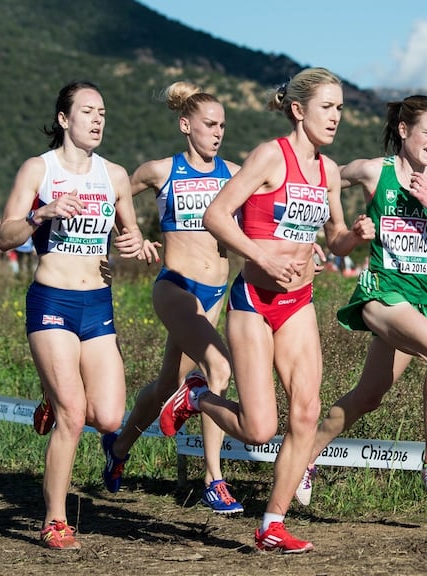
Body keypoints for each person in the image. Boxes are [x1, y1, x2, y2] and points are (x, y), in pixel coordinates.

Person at [159, 67, 374, 553]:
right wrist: (260, 254)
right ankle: (196, 397)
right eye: (328, 107)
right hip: (253, 303)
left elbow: (333, 239)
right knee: (260, 430)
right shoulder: (268, 157)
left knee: (306, 413)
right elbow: (216, 215)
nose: (336, 117)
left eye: (341, 108)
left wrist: (353, 238)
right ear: (298, 110)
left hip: (298, 302)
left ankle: (271, 524)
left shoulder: (328, 171)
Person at [0, 80, 159, 551]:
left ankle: (53, 396)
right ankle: (55, 520)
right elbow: (5, 237)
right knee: (72, 415)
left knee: (107, 417)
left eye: (103, 112)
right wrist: (41, 214)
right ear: (65, 119)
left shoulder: (115, 176)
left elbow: (130, 237)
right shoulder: (38, 169)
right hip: (51, 302)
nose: (98, 119)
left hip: (97, 305)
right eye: (88, 111)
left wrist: (136, 246)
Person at [295, 94, 427, 506]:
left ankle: (301, 461)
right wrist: (320, 234)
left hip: (417, 303)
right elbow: (318, 177)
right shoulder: (374, 172)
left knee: (369, 396)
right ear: (403, 130)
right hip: (379, 293)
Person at [100, 80, 244, 515]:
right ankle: (214, 481)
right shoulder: (160, 171)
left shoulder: (234, 174)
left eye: (222, 125)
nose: (217, 133)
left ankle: (119, 449)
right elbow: (108, 198)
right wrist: (131, 236)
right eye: (209, 124)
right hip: (175, 286)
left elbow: (262, 219)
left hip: (216, 288)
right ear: (186, 125)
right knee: (217, 369)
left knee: (168, 385)